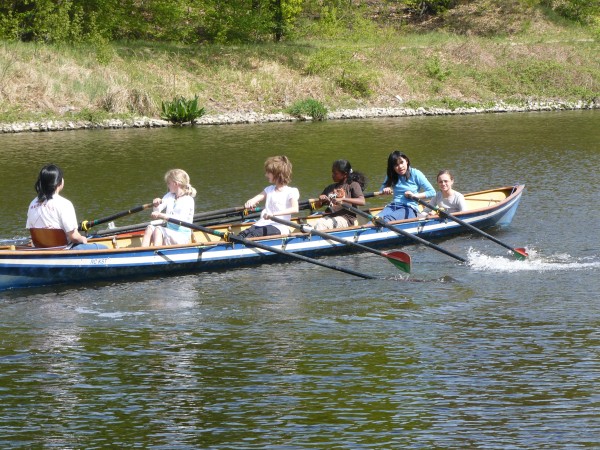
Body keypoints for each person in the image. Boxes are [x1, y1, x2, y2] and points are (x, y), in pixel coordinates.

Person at [26, 164, 106, 249]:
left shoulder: (32, 204)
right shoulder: (64, 204)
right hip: (64, 249)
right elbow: (74, 237)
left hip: (40, 249)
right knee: (104, 248)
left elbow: (32, 231)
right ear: (59, 182)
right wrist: (82, 239)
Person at [238, 155, 299, 238]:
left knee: (253, 235)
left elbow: (295, 209)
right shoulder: (269, 189)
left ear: (277, 174)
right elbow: (256, 198)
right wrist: (250, 202)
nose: (266, 175)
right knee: (243, 234)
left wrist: (273, 214)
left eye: (268, 172)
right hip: (263, 223)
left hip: (280, 226)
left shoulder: (291, 191)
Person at [141, 169, 197, 247]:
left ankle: (155, 255)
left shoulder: (188, 200)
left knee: (158, 230)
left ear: (176, 184)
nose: (167, 185)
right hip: (169, 232)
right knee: (149, 228)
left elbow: (179, 219)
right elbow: (157, 211)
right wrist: (156, 205)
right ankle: (143, 252)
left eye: (168, 183)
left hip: (182, 236)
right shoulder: (169, 195)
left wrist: (161, 215)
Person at [379, 150, 435, 221]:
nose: (400, 167)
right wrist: (385, 189)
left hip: (410, 208)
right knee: (375, 219)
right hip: (393, 206)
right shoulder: (391, 175)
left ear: (406, 161)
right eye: (396, 165)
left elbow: (432, 192)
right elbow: (381, 191)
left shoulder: (416, 173)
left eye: (402, 162)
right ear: (392, 167)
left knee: (387, 219)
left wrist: (414, 195)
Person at [314, 159, 366, 230]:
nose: (332, 175)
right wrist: (320, 200)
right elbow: (316, 206)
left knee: (321, 225)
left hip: (346, 219)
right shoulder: (330, 187)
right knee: (308, 226)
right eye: (332, 172)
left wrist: (343, 199)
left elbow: (362, 201)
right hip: (330, 217)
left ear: (344, 174)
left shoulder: (353, 185)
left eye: (335, 173)